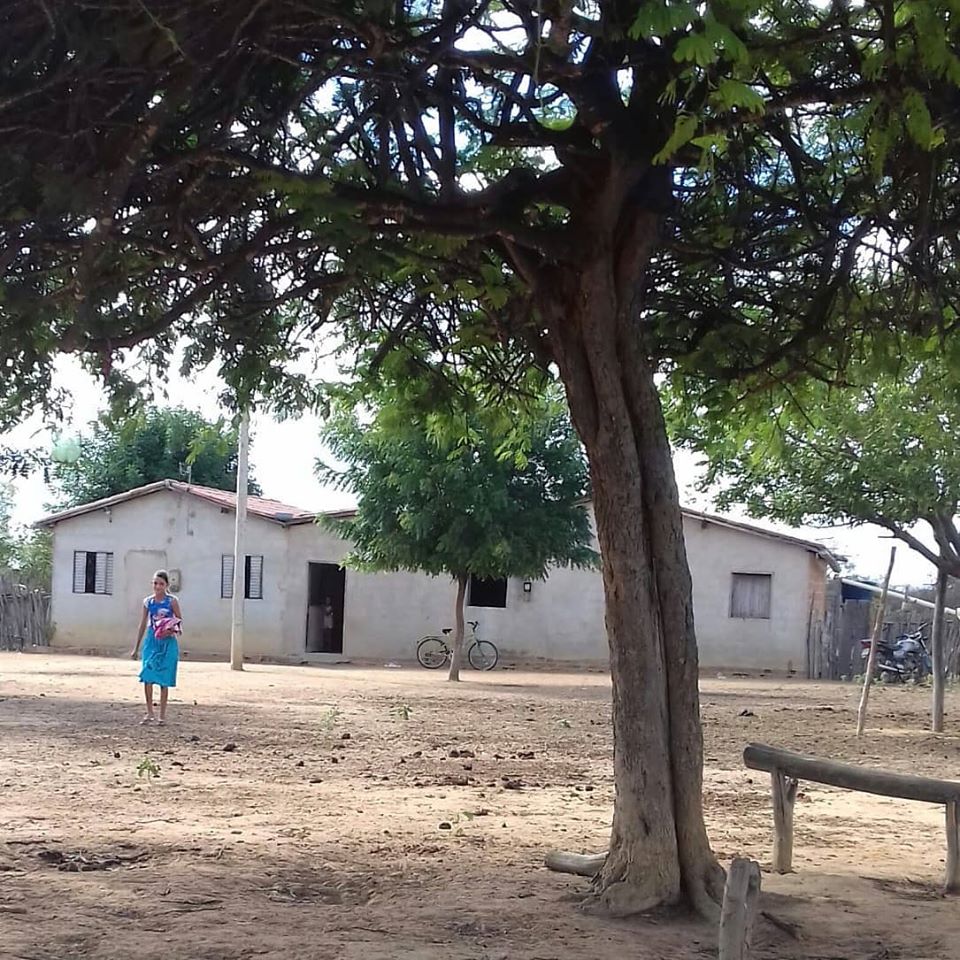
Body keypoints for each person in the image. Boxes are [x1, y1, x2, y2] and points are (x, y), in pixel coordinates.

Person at [131, 570, 182, 725]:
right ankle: (149, 712)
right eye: (155, 583)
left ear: (166, 585)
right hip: (152, 640)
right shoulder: (148, 602)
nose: (157, 586)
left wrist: (169, 629)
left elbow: (178, 620)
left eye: (161, 583)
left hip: (167, 641)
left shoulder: (172, 601)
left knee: (164, 678)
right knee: (147, 674)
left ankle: (162, 715)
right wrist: (136, 647)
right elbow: (143, 624)